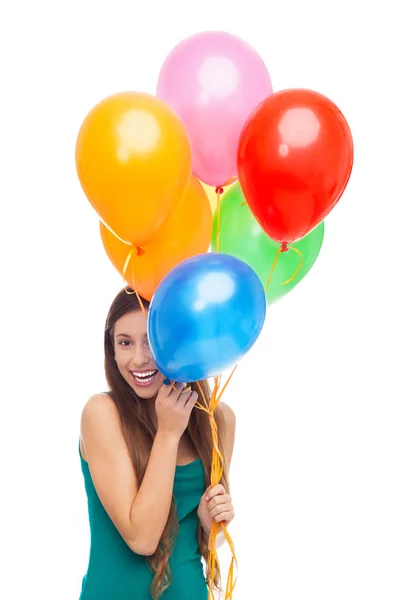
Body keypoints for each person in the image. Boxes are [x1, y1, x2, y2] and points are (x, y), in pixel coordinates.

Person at [78, 287, 236, 600]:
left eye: (152, 340)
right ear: (111, 349)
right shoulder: (102, 414)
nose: (139, 359)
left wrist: (209, 526)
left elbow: (201, 547)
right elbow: (143, 539)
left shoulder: (218, 420)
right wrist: (168, 434)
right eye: (125, 342)